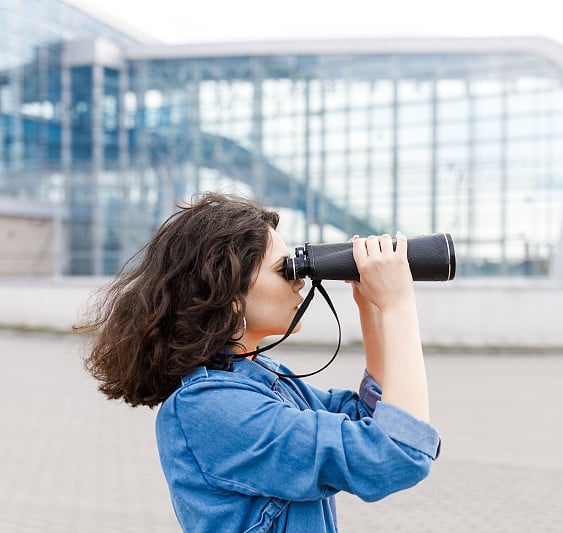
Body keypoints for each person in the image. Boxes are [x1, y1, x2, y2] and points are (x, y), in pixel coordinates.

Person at [79, 192, 440, 532]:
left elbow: (371, 416)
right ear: (229, 292)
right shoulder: (210, 407)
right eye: (284, 268)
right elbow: (397, 452)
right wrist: (399, 306)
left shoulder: (263, 379)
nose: (299, 281)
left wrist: (371, 309)